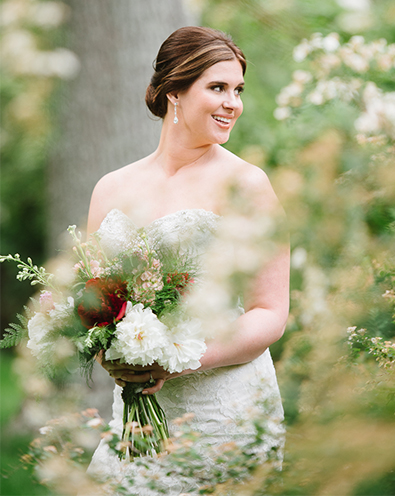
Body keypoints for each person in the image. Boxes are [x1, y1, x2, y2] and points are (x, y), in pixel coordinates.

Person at [86, 26, 289, 492]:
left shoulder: (248, 185)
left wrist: (179, 360)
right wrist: (112, 357)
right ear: (174, 90)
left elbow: (270, 313)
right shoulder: (111, 188)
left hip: (223, 415)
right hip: (135, 419)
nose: (232, 103)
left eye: (237, 90)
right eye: (217, 88)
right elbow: (94, 306)